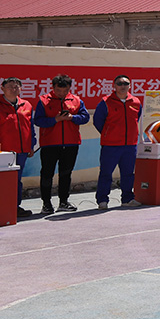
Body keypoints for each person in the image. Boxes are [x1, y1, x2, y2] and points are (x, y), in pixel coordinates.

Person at [33, 74, 89, 214]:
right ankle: (46, 204)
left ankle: (63, 202)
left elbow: (85, 117)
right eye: (59, 91)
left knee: (65, 174)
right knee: (47, 174)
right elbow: (38, 120)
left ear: (70, 88)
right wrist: (55, 120)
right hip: (50, 144)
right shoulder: (44, 100)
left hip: (71, 143)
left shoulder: (76, 100)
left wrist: (72, 117)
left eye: (65, 91)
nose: (62, 93)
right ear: (53, 88)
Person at [92, 75, 142, 210]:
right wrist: (109, 134)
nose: (123, 86)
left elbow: (136, 118)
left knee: (128, 173)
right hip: (111, 145)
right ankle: (102, 200)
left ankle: (127, 198)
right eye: (120, 83)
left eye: (126, 83)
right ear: (114, 86)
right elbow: (98, 121)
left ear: (130, 86)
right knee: (106, 173)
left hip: (130, 145)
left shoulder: (136, 102)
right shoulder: (106, 102)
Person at [0, 77, 35, 218]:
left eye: (16, 87)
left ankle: (14, 207)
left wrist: (31, 145)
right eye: (10, 87)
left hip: (21, 150)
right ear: (2, 88)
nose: (13, 89)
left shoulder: (26, 104)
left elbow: (30, 127)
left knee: (16, 180)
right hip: (4, 150)